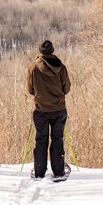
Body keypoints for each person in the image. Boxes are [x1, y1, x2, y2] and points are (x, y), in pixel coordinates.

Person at [26, 40, 71, 180]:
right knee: (57, 139)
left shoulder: (33, 68)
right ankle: (58, 172)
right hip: (58, 109)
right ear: (52, 50)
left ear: (40, 51)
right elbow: (67, 88)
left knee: (41, 139)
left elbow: (30, 89)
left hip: (41, 110)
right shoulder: (61, 68)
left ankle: (39, 172)